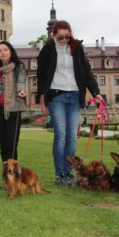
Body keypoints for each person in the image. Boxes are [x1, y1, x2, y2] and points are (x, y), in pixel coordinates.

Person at [37, 20, 102, 186]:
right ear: (54, 34)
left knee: (72, 137)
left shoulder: (77, 48)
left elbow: (86, 72)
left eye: (67, 36)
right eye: (60, 37)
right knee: (60, 135)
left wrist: (96, 93)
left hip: (74, 96)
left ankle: (67, 173)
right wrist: (42, 99)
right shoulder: (48, 49)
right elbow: (41, 75)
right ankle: (59, 174)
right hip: (56, 95)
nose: (64, 39)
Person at [0, 41, 27, 164]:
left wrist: (21, 90)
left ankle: (13, 178)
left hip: (13, 108)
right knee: (3, 146)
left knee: (11, 145)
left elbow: (20, 81)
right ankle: (6, 177)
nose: (3, 53)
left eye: (5, 50)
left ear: (11, 51)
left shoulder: (18, 66)